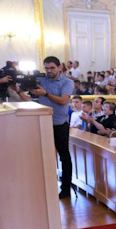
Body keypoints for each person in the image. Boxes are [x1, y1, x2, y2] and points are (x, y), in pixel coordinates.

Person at [19, 56, 73, 198]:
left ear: (59, 67)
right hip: (41, 121)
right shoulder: (41, 79)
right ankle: (44, 187)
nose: (49, 71)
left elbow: (63, 101)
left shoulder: (67, 82)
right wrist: (19, 87)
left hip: (59, 123)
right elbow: (25, 90)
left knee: (64, 156)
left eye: (52, 68)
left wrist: (46, 94)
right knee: (41, 156)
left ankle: (65, 189)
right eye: (47, 68)